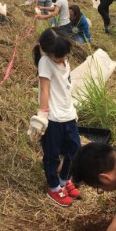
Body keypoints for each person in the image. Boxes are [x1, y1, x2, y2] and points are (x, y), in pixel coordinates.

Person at [28, 28, 81, 207]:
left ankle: (64, 180)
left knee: (74, 150)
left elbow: (66, 86)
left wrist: (73, 109)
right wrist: (42, 115)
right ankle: (53, 187)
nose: (63, 59)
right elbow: (44, 89)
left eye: (65, 55)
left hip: (68, 115)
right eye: (59, 56)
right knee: (51, 156)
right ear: (48, 52)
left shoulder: (65, 59)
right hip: (53, 119)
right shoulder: (45, 62)